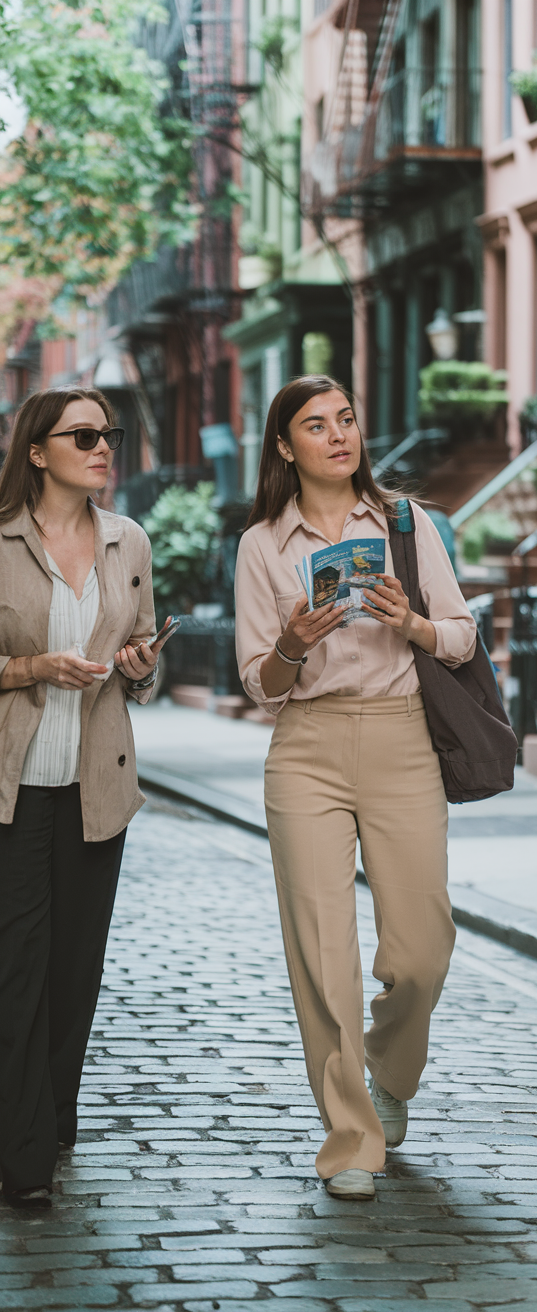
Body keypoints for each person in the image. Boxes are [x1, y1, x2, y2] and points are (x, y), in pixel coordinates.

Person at [235, 374, 477, 1200]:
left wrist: (408, 621)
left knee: (421, 951)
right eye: (315, 424)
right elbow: (260, 686)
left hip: (403, 741)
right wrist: (296, 642)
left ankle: (390, 1067)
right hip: (306, 750)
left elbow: (460, 635)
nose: (338, 435)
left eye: (347, 419)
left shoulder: (406, 522)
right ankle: (350, 1142)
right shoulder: (263, 544)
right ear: (284, 446)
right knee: (322, 956)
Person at [0, 387, 170, 1210]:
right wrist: (35, 668)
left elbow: (140, 654)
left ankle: (47, 1112)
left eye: (110, 433)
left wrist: (140, 667)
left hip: (96, 789)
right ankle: (22, 1153)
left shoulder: (127, 539)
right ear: (37, 451)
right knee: (18, 969)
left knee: (75, 973)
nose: (104, 445)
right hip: (13, 790)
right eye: (84, 434)